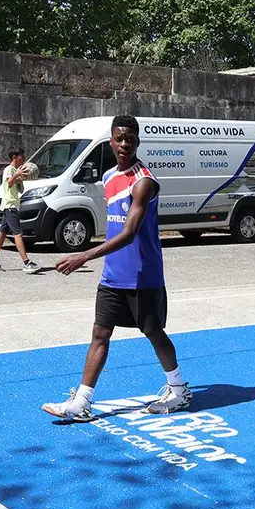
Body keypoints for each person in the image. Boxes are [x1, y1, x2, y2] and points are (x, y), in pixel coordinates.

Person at [42, 115, 190, 421]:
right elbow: (113, 225)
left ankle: (178, 389)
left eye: (130, 139)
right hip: (112, 275)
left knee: (152, 331)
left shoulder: (143, 182)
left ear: (137, 141)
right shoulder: (109, 177)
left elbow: (129, 233)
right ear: (111, 141)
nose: (124, 144)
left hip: (143, 275)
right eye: (119, 138)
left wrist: (83, 256)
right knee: (100, 333)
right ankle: (82, 401)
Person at [0, 147, 40, 273]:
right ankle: (26, 262)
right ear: (15, 157)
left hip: (12, 205)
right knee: (18, 234)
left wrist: (22, 178)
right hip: (10, 206)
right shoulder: (9, 169)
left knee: (2, 233)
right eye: (22, 156)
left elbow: (20, 190)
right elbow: (9, 183)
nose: (24, 158)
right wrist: (16, 175)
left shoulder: (15, 170)